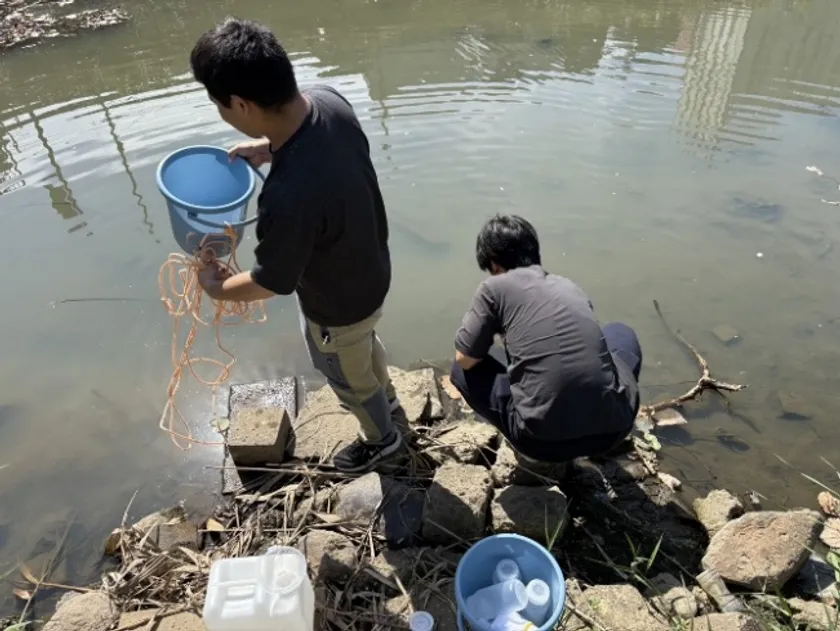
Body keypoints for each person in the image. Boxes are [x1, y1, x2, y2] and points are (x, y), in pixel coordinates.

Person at [190, 18, 403, 473]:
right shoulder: (329, 101)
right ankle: (388, 399)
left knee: (346, 374)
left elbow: (271, 283)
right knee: (363, 347)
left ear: (241, 103)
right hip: (372, 270)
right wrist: (269, 148)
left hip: (338, 304)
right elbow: (317, 148)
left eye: (219, 105)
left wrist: (216, 289)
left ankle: (382, 439)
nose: (221, 113)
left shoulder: (289, 196)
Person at [450, 214, 642, 463]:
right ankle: (603, 416)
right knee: (620, 332)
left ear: (495, 266)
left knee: (460, 369)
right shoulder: (568, 286)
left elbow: (465, 359)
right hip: (614, 431)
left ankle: (531, 451)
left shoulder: (493, 288)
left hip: (541, 444)